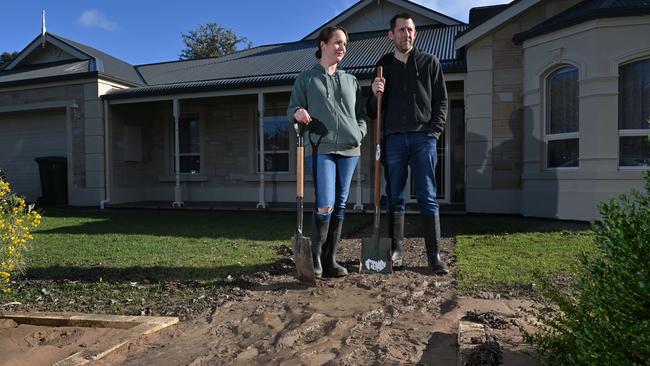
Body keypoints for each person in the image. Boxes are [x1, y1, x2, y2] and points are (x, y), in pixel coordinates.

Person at [368, 13, 449, 274]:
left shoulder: (430, 63)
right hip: (393, 139)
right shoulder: (382, 66)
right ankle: (396, 249)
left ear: (416, 33)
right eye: (401, 30)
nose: (407, 34)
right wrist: (374, 93)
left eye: (411, 30)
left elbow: (442, 102)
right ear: (391, 35)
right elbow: (372, 110)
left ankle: (434, 256)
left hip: (422, 138)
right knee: (394, 197)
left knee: (427, 196)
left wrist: (434, 132)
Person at [287, 26, 368, 278]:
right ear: (323, 45)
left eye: (345, 43)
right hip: (320, 147)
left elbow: (361, 115)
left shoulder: (351, 80)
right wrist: (297, 112)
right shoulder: (307, 78)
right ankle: (315, 257)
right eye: (337, 42)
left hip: (349, 149)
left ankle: (330, 260)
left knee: (340, 205)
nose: (342, 47)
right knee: (325, 204)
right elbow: (292, 109)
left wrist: (359, 133)